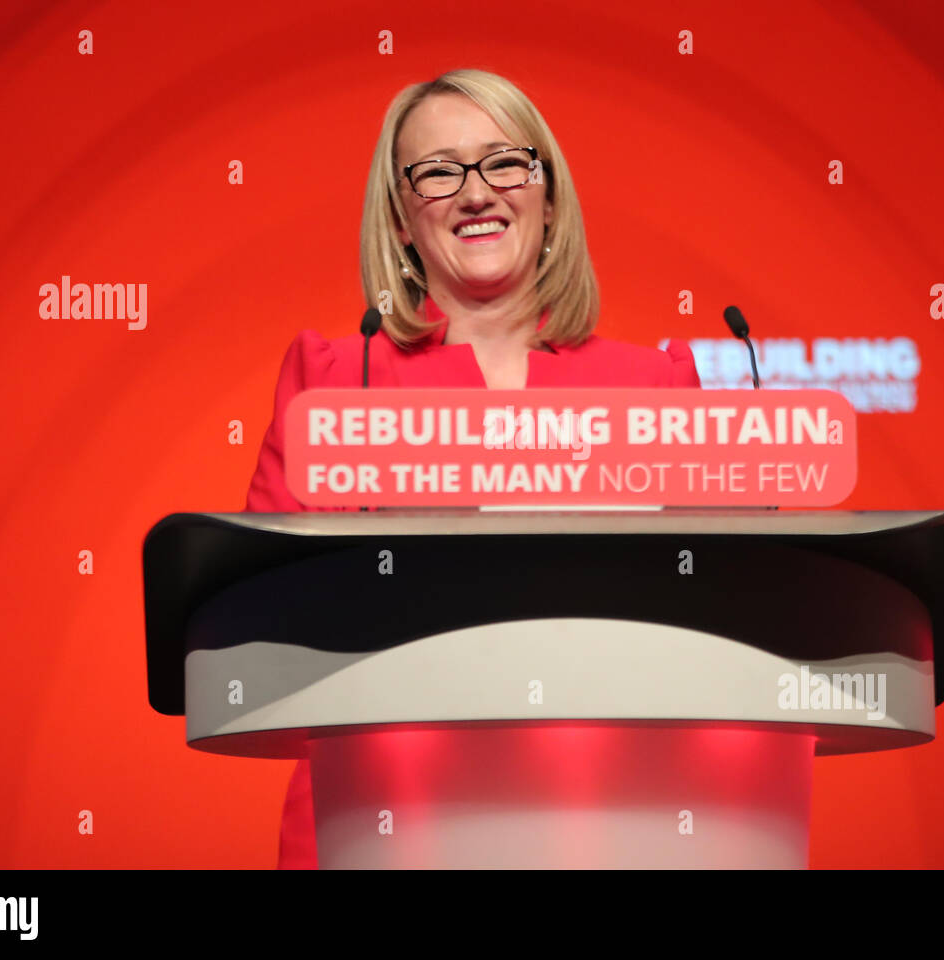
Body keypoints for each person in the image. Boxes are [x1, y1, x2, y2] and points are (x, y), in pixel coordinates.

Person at [244, 68, 701, 868]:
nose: (475, 193)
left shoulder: (654, 385)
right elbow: (261, 620)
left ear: (548, 195)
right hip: (377, 817)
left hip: (608, 821)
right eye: (439, 171)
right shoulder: (334, 378)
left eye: (503, 163)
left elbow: (704, 622)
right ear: (402, 218)